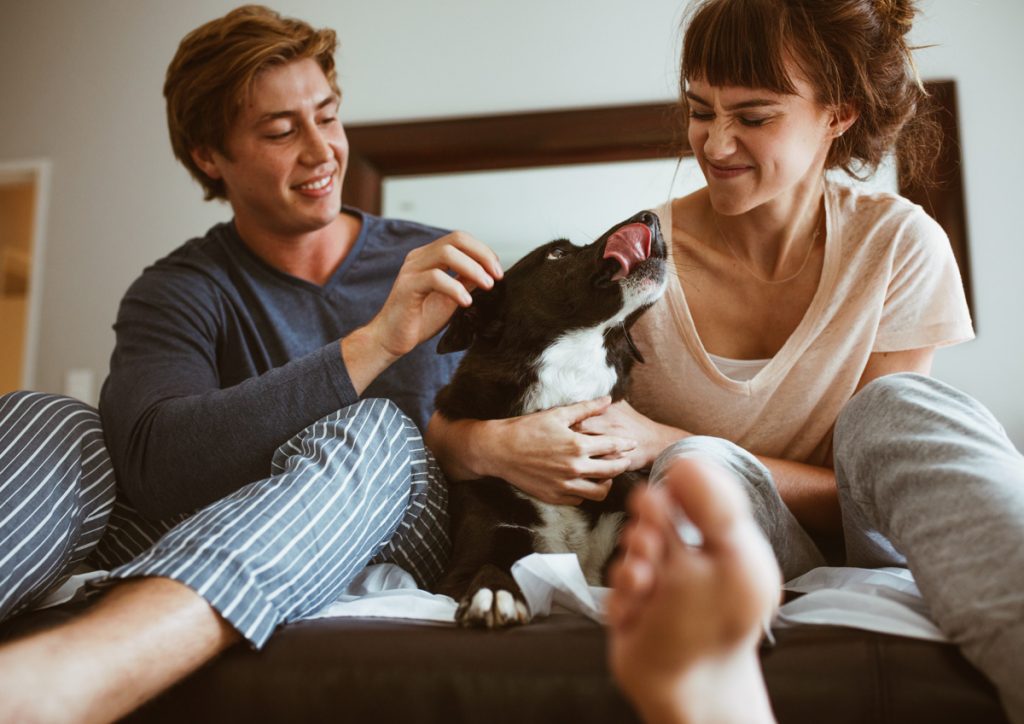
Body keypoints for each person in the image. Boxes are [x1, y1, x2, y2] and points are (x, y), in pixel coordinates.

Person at [428, 0, 1024, 721]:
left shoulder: (899, 245)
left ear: (837, 115)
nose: (714, 143)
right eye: (700, 110)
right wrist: (493, 443)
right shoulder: (636, 272)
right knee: (693, 482)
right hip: (721, 530)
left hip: (860, 536)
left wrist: (670, 440)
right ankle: (715, 678)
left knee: (899, 409)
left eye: (753, 116)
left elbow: (872, 491)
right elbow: (464, 428)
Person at [0, 5, 508, 721]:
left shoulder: (439, 263)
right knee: (44, 414)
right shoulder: (178, 288)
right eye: (280, 130)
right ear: (211, 156)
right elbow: (153, 462)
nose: (322, 149)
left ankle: (93, 668)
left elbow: (522, 433)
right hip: (203, 522)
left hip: (388, 526)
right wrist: (374, 344)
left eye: (327, 117)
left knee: (378, 429)